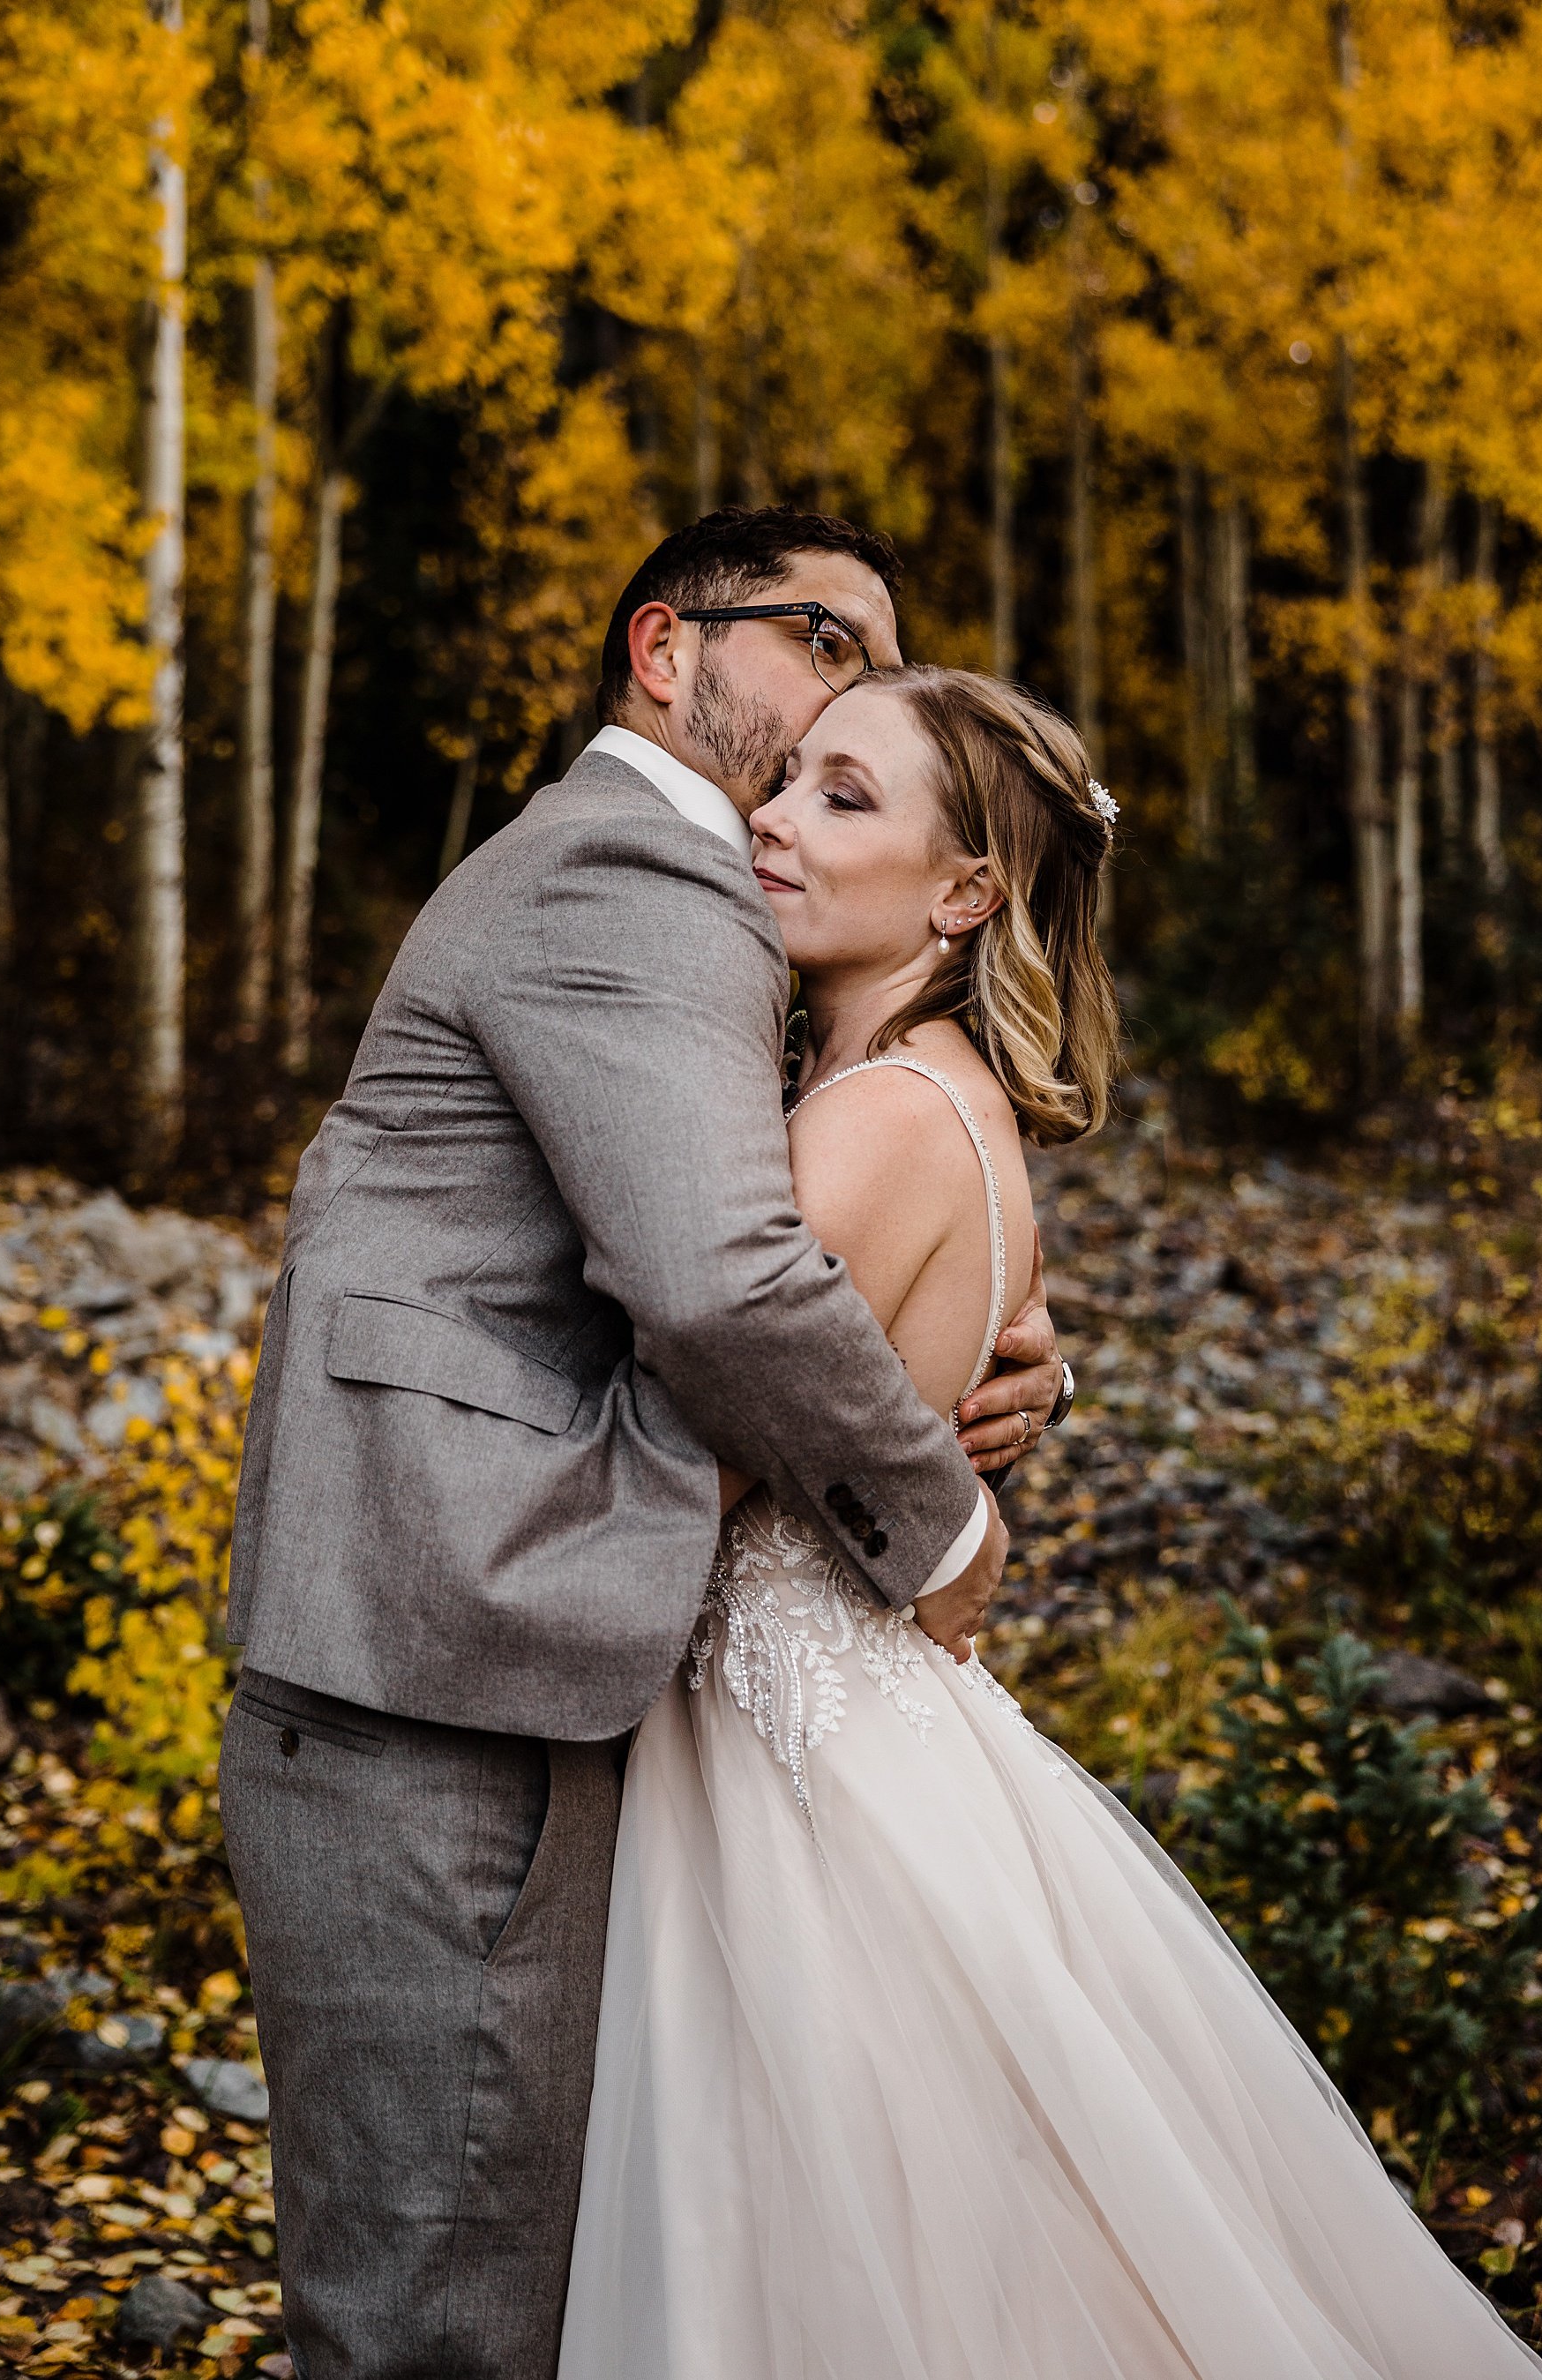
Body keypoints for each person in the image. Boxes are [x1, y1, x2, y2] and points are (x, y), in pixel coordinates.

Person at [558, 666, 1542, 2380]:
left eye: (842, 797)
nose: (774, 819)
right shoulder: (960, 1106)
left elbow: (680, 1471)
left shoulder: (859, 1126)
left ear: (966, 893)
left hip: (795, 1785)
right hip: (872, 1724)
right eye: (782, 781)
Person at [218, 508, 1067, 2380]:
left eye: (887, 661)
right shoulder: (637, 871)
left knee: (499, 2291)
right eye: (823, 640)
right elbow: (731, 1282)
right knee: (439, 2321)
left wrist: (985, 1344)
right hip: (442, 1685)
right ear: (664, 648)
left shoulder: (670, 900)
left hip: (456, 1670)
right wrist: (938, 1527)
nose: (866, 679)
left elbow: (778, 1222)